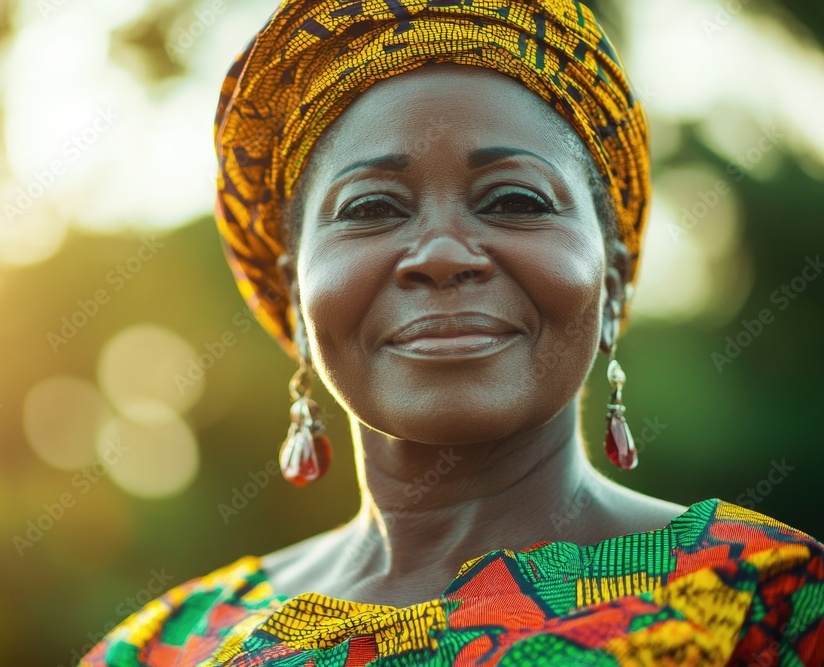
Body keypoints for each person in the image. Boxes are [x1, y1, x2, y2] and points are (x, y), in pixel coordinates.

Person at [80, 0, 824, 664]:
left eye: (515, 199)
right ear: (293, 291)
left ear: (616, 279)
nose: (441, 253)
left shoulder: (766, 603)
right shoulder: (163, 649)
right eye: (371, 208)